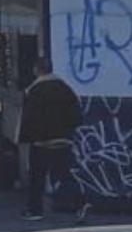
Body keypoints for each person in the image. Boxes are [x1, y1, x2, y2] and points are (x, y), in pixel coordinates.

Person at [18, 57, 86, 222]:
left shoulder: (33, 91)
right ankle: (79, 204)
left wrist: (24, 138)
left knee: (37, 177)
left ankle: (35, 210)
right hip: (63, 140)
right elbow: (77, 114)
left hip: (41, 142)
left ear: (36, 70)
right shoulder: (65, 89)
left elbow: (28, 118)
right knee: (64, 176)